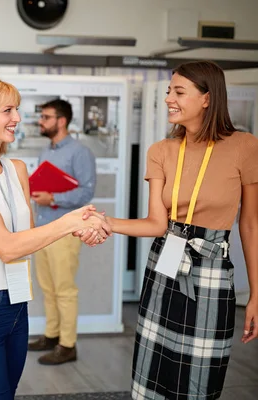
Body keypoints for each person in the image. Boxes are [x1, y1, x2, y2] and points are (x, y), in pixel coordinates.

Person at [94, 61, 258, 399]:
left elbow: (251, 224)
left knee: (200, 380)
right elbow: (156, 223)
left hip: (212, 269)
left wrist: (257, 293)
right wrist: (104, 221)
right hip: (164, 266)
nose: (169, 98)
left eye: (178, 91)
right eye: (169, 90)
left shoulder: (244, 146)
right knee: (153, 375)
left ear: (207, 98)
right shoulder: (161, 151)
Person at [0, 76, 111, 400]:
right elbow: (7, 248)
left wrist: (83, 228)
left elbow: (29, 238)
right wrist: (67, 222)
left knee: (8, 393)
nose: (18, 118)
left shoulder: (17, 168)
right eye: (8, 110)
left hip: (16, 304)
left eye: (17, 109)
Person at [27, 99, 97, 365]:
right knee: (47, 286)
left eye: (46, 117)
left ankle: (68, 345)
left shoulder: (80, 152)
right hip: (44, 228)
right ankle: (52, 335)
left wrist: (53, 198)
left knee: (64, 289)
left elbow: (86, 192)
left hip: (66, 230)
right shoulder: (47, 151)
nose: (41, 121)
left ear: (62, 120)